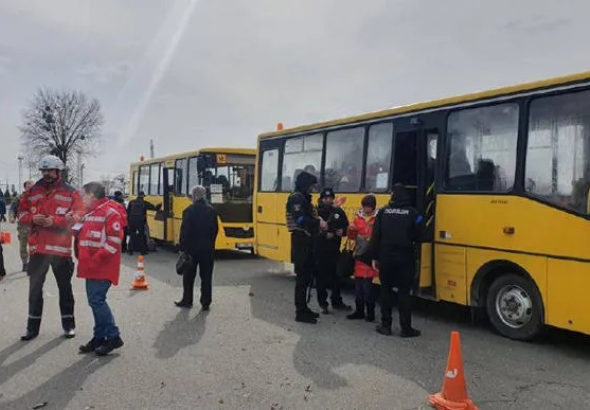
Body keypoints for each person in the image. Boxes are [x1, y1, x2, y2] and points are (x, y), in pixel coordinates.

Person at [18, 155, 84, 341]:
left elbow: (79, 215)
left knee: (65, 289)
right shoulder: (31, 191)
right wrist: (32, 219)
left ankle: (69, 325)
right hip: (38, 250)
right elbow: (21, 213)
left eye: (50, 171)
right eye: (43, 171)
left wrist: (53, 221)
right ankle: (32, 328)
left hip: (61, 250)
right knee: (35, 290)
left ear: (58, 171)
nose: (46, 174)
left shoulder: (71, 192)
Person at [76, 182, 125, 356]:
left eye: (84, 195)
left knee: (97, 301)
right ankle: (99, 337)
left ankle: (113, 336)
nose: (82, 198)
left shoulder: (110, 213)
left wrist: (96, 259)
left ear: (92, 195)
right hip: (91, 267)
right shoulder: (91, 213)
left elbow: (115, 241)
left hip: (102, 267)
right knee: (94, 302)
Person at [370, 183, 423, 338]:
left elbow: (376, 237)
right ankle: (406, 329)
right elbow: (422, 234)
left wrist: (374, 257)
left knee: (385, 290)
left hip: (386, 257)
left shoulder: (383, 212)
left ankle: (386, 326)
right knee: (404, 293)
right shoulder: (413, 213)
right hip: (405, 257)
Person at [286, 171, 326, 324]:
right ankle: (300, 311)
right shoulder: (296, 197)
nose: (312, 189)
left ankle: (305, 307)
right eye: (310, 186)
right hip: (301, 241)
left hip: (307, 240)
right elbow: (300, 219)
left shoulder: (303, 197)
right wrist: (318, 222)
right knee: (302, 278)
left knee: (307, 276)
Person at [175, 185, 219, 310]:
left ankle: (187, 300)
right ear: (204, 195)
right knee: (206, 277)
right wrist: (211, 244)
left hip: (191, 250)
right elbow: (215, 230)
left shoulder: (189, 210)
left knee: (189, 277)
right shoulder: (211, 211)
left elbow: (185, 232)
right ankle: (206, 302)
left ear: (194, 196)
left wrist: (182, 248)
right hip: (207, 249)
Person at [315, 187, 350, 314]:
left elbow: (347, 226)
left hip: (335, 249)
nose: (328, 200)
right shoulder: (316, 212)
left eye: (330, 198)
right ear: (322, 199)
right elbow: (312, 230)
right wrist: (324, 235)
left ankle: (337, 301)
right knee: (321, 279)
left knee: (337, 277)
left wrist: (343, 231)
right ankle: (323, 304)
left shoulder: (338, 211)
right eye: (326, 198)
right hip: (321, 250)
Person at [346, 194, 379, 322]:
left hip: (370, 256)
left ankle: (370, 313)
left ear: (373, 207)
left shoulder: (377, 219)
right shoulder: (358, 219)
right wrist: (351, 230)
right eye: (365, 206)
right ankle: (359, 311)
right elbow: (351, 237)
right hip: (359, 255)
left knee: (368, 287)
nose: (366, 209)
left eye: (368, 207)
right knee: (358, 286)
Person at [10, 180, 35, 271]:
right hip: (23, 226)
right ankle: (25, 263)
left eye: (32, 186)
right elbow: (12, 209)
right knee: (23, 246)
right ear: (25, 187)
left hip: (35, 226)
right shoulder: (19, 198)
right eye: (29, 185)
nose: (31, 187)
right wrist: (12, 217)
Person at [126, 191, 157, 255]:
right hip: (140, 221)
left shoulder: (131, 202)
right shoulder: (144, 203)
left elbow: (127, 212)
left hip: (132, 221)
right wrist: (160, 205)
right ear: (143, 196)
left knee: (132, 235)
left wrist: (129, 221)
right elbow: (154, 208)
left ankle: (130, 250)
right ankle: (143, 251)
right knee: (142, 236)